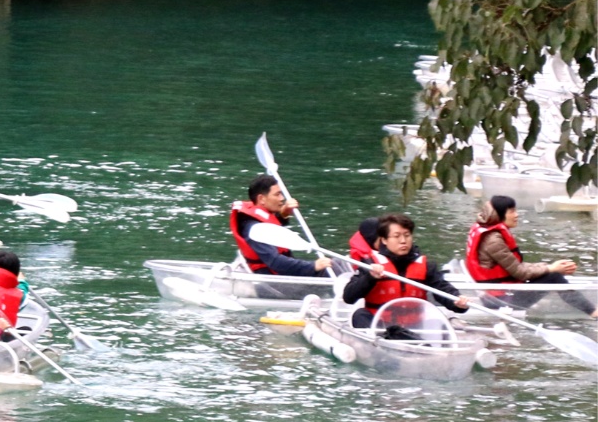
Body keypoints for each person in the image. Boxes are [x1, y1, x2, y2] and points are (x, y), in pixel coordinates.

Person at [464, 195, 597, 316]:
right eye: (512, 212)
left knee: (550, 274)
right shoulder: (494, 241)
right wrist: (552, 269)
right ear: (499, 215)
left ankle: (588, 309)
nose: (516, 215)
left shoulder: (488, 232)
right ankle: (592, 312)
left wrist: (549, 266)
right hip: (500, 300)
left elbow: (515, 267)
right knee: (554, 277)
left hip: (497, 294)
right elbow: (521, 273)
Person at [341, 214, 469, 333]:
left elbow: (442, 288)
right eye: (396, 236)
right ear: (384, 240)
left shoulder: (425, 266)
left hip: (416, 327)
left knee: (439, 322)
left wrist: (457, 301)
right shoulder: (370, 264)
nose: (403, 241)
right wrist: (370, 277)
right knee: (360, 315)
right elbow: (348, 297)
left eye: (407, 235)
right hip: (380, 327)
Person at [230, 175, 335, 276]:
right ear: (261, 199)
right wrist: (312, 266)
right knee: (336, 268)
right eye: (277, 194)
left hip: (282, 273)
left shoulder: (259, 218)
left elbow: (272, 227)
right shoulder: (254, 230)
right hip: (273, 282)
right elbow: (275, 262)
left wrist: (283, 213)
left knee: (338, 264)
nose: (282, 198)